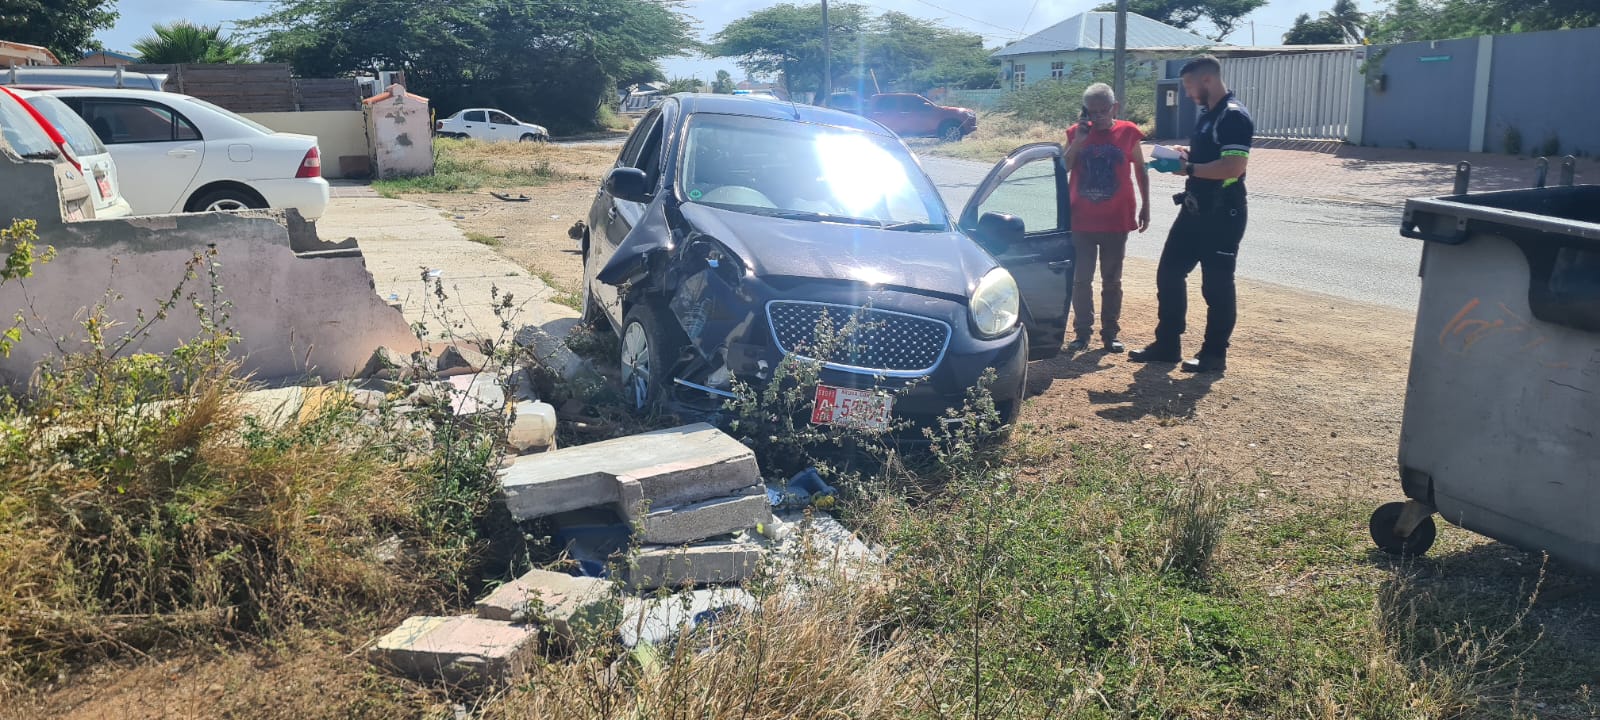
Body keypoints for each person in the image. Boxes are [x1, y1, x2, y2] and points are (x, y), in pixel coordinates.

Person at [1130, 55, 1253, 374]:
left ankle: (1214, 356)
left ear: (1207, 80)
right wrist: (1183, 157)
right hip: (1195, 206)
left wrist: (1189, 167)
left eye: (1188, 86)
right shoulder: (1208, 115)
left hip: (1223, 211)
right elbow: (1210, 157)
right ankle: (1167, 345)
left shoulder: (1233, 116)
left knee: (1216, 285)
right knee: (1169, 273)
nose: (1186, 93)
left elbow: (1233, 166)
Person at [1063, 83, 1150, 354]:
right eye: (1092, 111)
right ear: (1084, 110)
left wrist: (1146, 205)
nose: (1098, 116)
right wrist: (1078, 141)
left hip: (1116, 220)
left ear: (1115, 107)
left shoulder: (1128, 132)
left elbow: (1140, 168)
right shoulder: (1075, 133)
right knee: (1081, 280)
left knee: (1112, 280)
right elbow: (1063, 167)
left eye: (1103, 110)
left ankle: (1110, 333)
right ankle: (1082, 333)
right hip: (1081, 221)